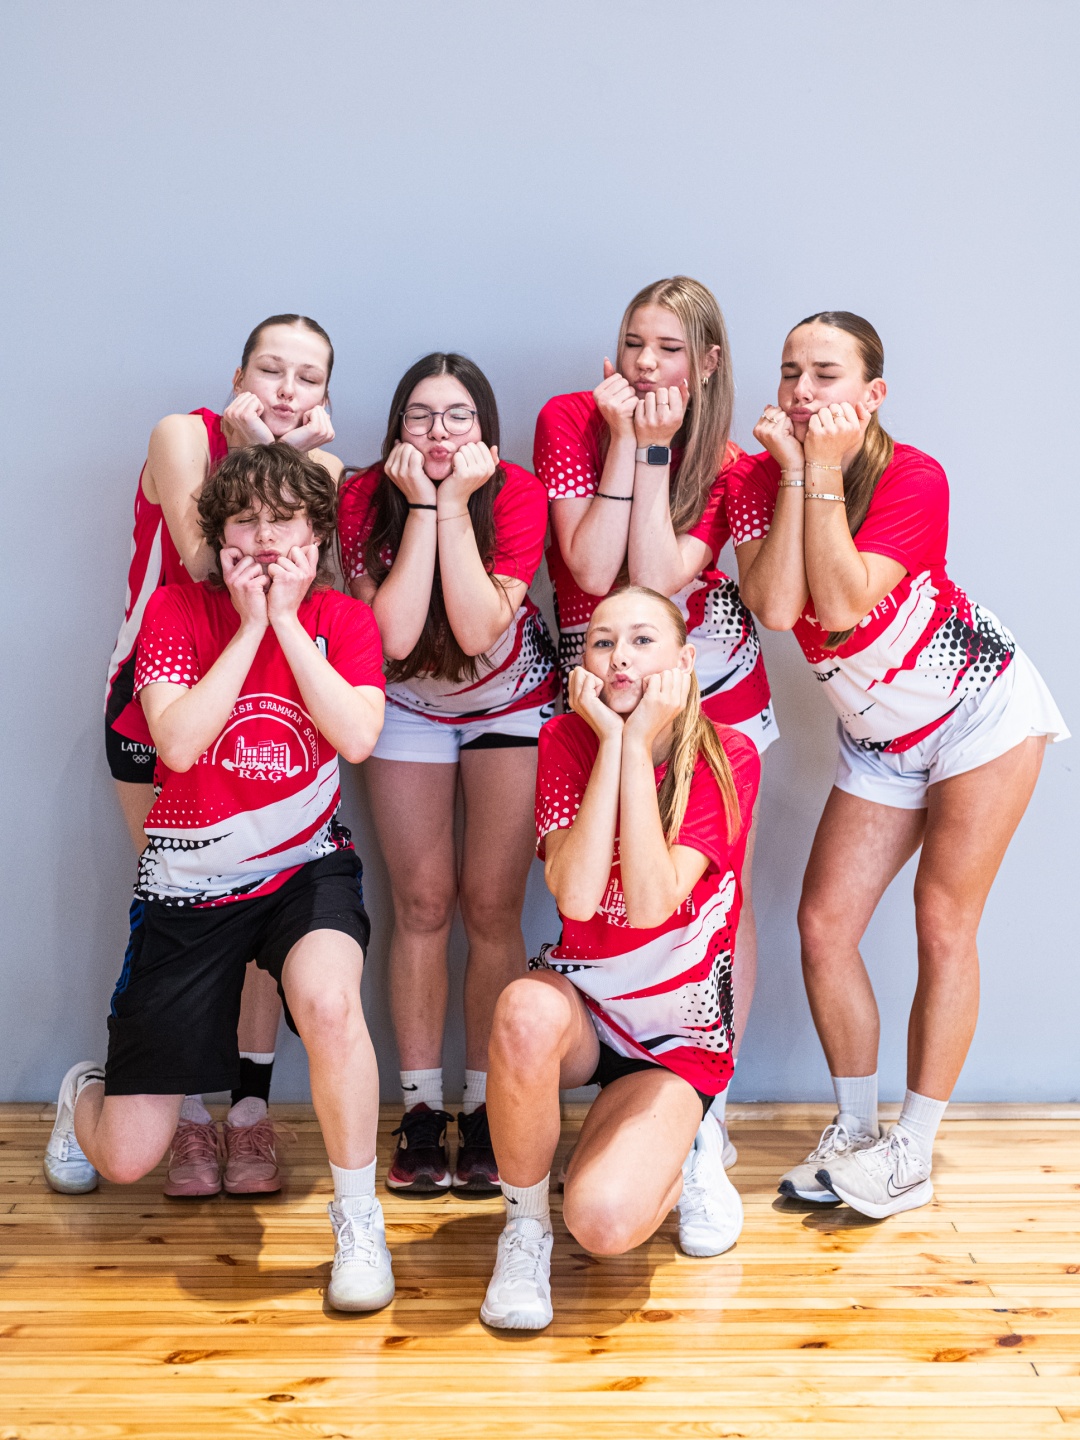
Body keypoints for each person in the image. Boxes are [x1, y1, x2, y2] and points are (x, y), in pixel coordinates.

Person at [727, 311, 1069, 1219]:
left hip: (979, 714)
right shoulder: (759, 477)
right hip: (881, 738)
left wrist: (821, 470)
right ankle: (854, 1131)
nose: (803, 391)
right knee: (822, 925)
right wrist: (796, 471)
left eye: (826, 374)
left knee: (943, 921)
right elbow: (776, 606)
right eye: (791, 371)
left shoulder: (915, 476)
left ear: (873, 394)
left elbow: (839, 604)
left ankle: (911, 1149)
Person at [45, 444, 394, 1311]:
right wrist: (247, 628)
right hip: (189, 885)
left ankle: (360, 1224)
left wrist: (288, 624)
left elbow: (357, 737)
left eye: (285, 520)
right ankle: (82, 1094)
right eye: (247, 520)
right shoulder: (176, 610)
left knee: (329, 1002)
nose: (266, 538)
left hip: (305, 871)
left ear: (316, 534)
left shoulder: (346, 621)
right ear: (219, 533)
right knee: (129, 1156)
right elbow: (178, 743)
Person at [95, 314, 341, 1201]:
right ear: (239, 376)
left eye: (307, 378)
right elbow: (210, 562)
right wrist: (255, 454)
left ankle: (248, 1109)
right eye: (271, 369)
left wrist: (290, 462)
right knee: (189, 908)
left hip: (268, 711)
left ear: (324, 396)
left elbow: (316, 585)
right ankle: (191, 1112)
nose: (286, 389)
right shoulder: (182, 435)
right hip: (160, 700)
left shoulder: (323, 470)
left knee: (261, 900)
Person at [534, 276, 776, 1167]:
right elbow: (595, 572)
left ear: (707, 363)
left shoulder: (729, 463)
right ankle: (620, 1072)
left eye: (669, 349)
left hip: (713, 693)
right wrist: (629, 446)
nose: (645, 363)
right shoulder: (571, 419)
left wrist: (660, 449)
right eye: (634, 342)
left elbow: (659, 578)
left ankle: (708, 1106)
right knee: (597, 879)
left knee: (715, 898)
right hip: (606, 681)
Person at [479, 587, 760, 1331]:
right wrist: (612, 740)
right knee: (522, 1009)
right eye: (602, 642)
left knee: (603, 1224)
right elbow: (576, 898)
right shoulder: (566, 740)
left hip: (674, 1043)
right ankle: (524, 1230)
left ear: (684, 661)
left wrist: (637, 745)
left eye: (641, 640)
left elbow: (649, 905)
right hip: (589, 1013)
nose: (620, 657)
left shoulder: (727, 755)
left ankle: (690, 1140)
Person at [338, 353, 557, 1195]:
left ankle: (491, 1107)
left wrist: (457, 504)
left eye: (458, 416)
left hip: (511, 703)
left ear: (485, 432)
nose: (438, 432)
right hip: (406, 705)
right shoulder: (364, 495)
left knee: (492, 906)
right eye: (421, 415)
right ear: (398, 426)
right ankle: (423, 1111)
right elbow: (393, 638)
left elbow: (475, 630)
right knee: (423, 905)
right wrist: (426, 507)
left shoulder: (520, 492)